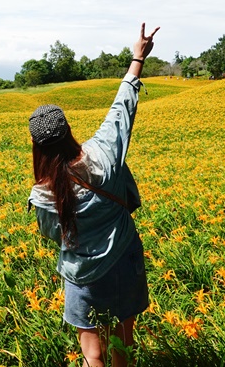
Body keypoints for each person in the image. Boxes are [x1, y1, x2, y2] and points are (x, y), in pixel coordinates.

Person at [27, 23, 159, 367]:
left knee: (92, 354)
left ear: (36, 147)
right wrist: (137, 58)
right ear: (69, 129)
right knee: (122, 347)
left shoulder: (42, 193)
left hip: (83, 271)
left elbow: (54, 235)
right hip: (125, 257)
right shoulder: (103, 153)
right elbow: (122, 110)